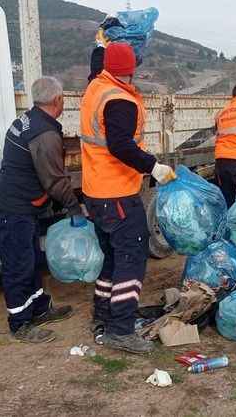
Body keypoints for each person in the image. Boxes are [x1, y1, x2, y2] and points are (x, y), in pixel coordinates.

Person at [80, 42, 176, 354]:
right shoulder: (120, 99)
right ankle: (120, 330)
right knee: (132, 260)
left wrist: (103, 39)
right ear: (132, 69)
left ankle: (104, 315)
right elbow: (120, 145)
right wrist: (154, 167)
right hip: (117, 191)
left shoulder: (97, 86)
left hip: (96, 190)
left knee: (112, 258)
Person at [0, 76, 81, 343]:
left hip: (20, 207)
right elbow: (54, 180)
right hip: (12, 210)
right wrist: (74, 208)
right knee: (18, 265)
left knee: (33, 261)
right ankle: (19, 323)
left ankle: (39, 309)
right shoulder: (45, 134)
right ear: (57, 100)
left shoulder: (27, 120)